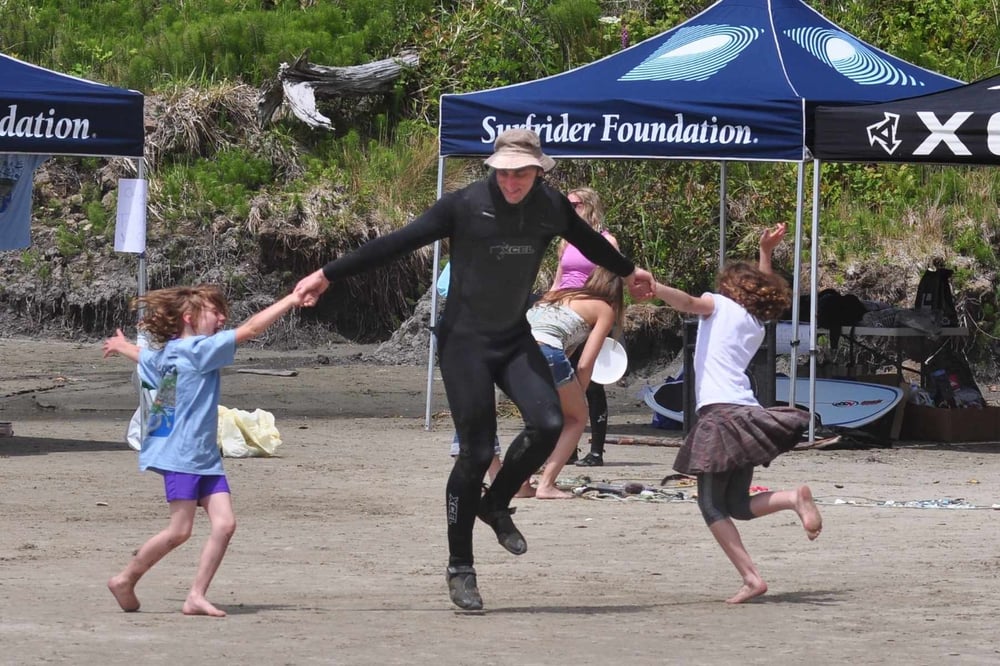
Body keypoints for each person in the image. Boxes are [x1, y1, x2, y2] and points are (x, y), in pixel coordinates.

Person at [294, 128, 654, 610]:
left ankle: (495, 503)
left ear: (538, 170)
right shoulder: (463, 205)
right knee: (477, 450)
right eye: (503, 172)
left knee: (549, 423)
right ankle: (460, 567)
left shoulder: (549, 206)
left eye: (521, 172)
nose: (511, 182)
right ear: (494, 168)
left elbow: (591, 243)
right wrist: (325, 275)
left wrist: (630, 272)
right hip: (464, 342)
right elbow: (395, 244)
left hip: (512, 337)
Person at [102, 285, 301, 617]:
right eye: (215, 311)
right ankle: (125, 579)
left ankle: (195, 596)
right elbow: (251, 328)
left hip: (205, 458)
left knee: (224, 525)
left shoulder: (171, 351)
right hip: (181, 457)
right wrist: (292, 299)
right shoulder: (198, 350)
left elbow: (147, 358)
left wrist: (122, 346)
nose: (222, 317)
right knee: (180, 530)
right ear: (190, 317)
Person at [650, 223, 822, 604]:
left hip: (720, 416)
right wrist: (766, 254)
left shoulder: (718, 305)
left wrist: (657, 288)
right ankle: (793, 498)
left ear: (731, 289)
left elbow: (688, 303)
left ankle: (751, 577)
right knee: (738, 506)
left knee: (711, 505)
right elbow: (762, 288)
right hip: (745, 413)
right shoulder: (756, 324)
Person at [527, 267, 624, 499]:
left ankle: (522, 482)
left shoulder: (557, 295)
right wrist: (578, 395)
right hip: (546, 350)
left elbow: (564, 350)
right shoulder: (604, 309)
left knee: (541, 419)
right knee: (577, 417)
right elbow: (585, 365)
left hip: (516, 351)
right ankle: (546, 484)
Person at [549, 187, 619, 467]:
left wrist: (604, 319)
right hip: (563, 312)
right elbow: (558, 279)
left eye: (574, 205)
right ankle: (569, 448)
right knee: (561, 381)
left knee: (590, 381)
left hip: (590, 312)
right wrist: (546, 304)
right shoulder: (566, 242)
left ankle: (597, 450)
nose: (569, 209)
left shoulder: (606, 241)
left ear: (589, 206)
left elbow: (612, 283)